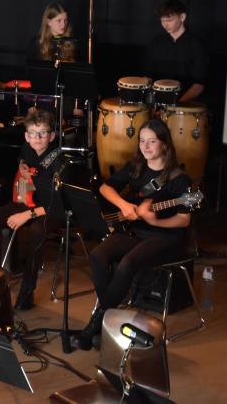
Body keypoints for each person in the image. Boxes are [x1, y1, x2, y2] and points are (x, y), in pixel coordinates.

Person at [71, 119, 192, 351]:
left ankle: (97, 323)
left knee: (127, 263)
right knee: (97, 255)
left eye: (152, 141)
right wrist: (125, 205)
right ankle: (107, 321)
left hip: (166, 237)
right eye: (142, 141)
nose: (145, 146)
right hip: (136, 231)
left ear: (165, 145)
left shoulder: (178, 178)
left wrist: (156, 220)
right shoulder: (136, 166)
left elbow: (184, 220)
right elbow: (105, 188)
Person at [0, 109, 65, 310]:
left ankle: (27, 291)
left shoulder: (59, 160)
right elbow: (22, 156)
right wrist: (22, 166)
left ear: (52, 136)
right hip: (28, 201)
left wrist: (26, 215)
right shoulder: (28, 148)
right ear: (26, 136)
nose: (37, 138)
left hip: (52, 210)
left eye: (43, 133)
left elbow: (59, 203)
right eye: (33, 133)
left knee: (37, 230)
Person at [143, 0, 208, 102]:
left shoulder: (197, 45)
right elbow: (148, 77)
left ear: (182, 17)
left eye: (169, 20)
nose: (165, 25)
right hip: (157, 101)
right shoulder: (156, 43)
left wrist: (177, 105)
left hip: (185, 104)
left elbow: (199, 85)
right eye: (162, 20)